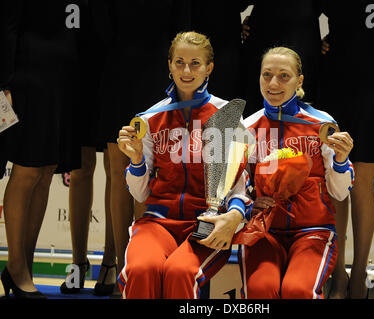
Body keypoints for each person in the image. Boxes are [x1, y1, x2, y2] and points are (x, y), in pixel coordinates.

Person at [116, 31, 252, 299]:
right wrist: (135, 159)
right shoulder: (150, 118)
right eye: (179, 62)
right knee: (142, 268)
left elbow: (239, 186)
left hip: (206, 225)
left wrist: (233, 217)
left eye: (195, 63)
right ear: (169, 65)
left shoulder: (227, 116)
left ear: (209, 68)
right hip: (158, 223)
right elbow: (141, 194)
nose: (186, 70)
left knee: (180, 272)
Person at [241, 47, 354, 299]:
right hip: (265, 232)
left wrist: (341, 159)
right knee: (260, 290)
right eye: (266, 74)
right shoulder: (247, 128)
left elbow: (339, 190)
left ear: (299, 81)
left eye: (284, 76)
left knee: (298, 291)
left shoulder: (322, 124)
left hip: (313, 231)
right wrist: (249, 203)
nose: (273, 83)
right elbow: (236, 188)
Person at [0, 0, 83, 298]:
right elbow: (7, 25)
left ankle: (25, 268)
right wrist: (5, 82)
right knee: (27, 169)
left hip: (62, 80)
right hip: (28, 77)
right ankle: (16, 268)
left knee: (46, 171)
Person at [317, 0, 374, 299]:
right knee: (336, 183)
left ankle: (360, 272)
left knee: (361, 183)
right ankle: (338, 272)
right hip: (335, 85)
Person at [95, 0, 174, 296]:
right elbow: (101, 28)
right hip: (117, 75)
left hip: (157, 76)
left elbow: (180, 26)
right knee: (119, 174)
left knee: (150, 172)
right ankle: (121, 268)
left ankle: (142, 268)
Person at [59, 0, 116, 296]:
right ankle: (77, 263)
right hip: (78, 74)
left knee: (115, 172)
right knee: (80, 169)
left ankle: (110, 262)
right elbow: (68, 24)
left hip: (117, 72)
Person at [240, 0, 323, 118]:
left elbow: (339, 10)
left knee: (301, 111)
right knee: (257, 111)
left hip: (302, 40)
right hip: (262, 39)